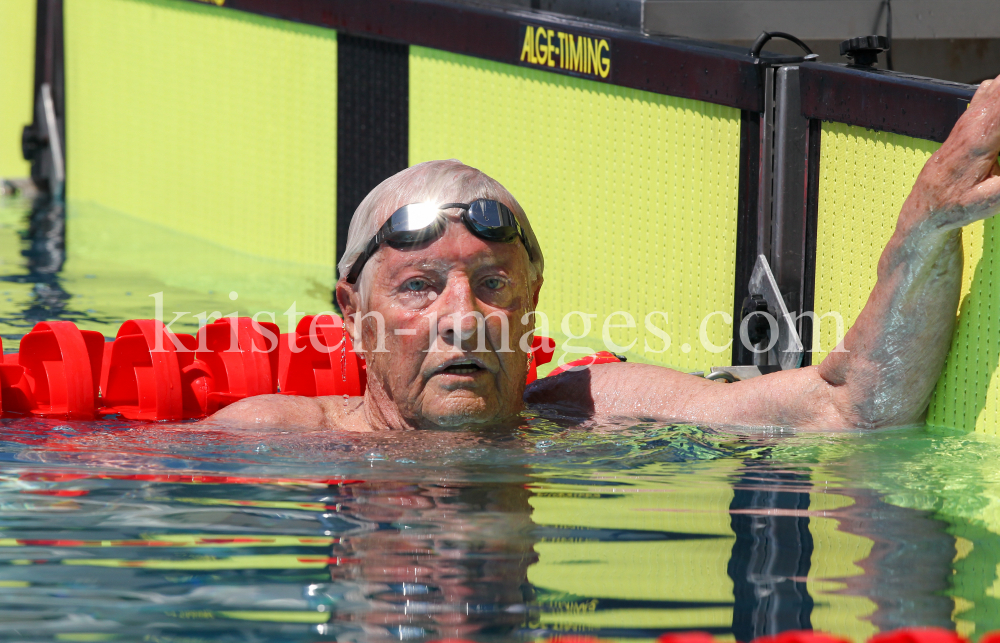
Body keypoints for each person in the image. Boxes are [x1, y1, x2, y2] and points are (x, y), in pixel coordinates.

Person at [204, 79, 1000, 433]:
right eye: (418, 286)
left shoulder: (595, 411)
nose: (463, 321)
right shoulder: (272, 436)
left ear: (531, 300)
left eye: (491, 285)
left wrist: (925, 222)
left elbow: (851, 408)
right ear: (352, 310)